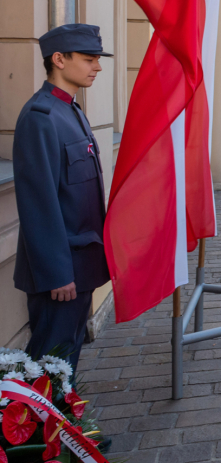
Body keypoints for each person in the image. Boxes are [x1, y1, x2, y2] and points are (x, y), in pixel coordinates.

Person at [13, 24, 113, 369]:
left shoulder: (70, 111)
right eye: (88, 59)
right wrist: (57, 273)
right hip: (60, 274)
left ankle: (63, 407)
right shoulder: (40, 117)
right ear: (59, 59)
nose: (97, 67)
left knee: (65, 361)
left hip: (80, 265)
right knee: (49, 365)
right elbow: (38, 203)